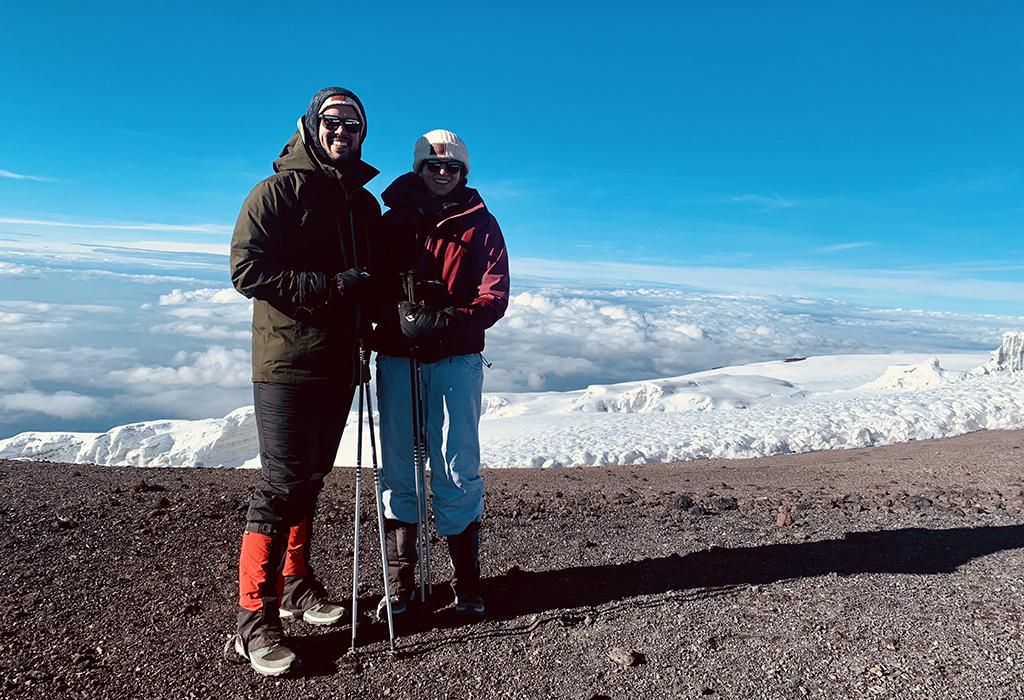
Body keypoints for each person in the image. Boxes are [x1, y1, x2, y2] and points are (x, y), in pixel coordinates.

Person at [227, 87, 380, 677]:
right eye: (333, 121)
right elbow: (246, 268)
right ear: (312, 126)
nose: (343, 131)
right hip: (286, 362)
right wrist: (330, 286)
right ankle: (254, 623)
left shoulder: (360, 205)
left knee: (311, 480)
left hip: (338, 362)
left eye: (354, 123)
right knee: (282, 484)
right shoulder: (275, 193)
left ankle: (295, 586)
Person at [371, 129, 510, 619]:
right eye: (434, 166)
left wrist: (447, 320)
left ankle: (466, 586)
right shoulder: (392, 223)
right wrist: (390, 321)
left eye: (452, 168)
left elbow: (495, 295)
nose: (443, 174)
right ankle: (400, 586)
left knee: (456, 470)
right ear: (419, 170)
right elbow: (371, 286)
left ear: (463, 173)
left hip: (455, 359)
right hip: (397, 357)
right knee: (397, 469)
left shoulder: (481, 225)